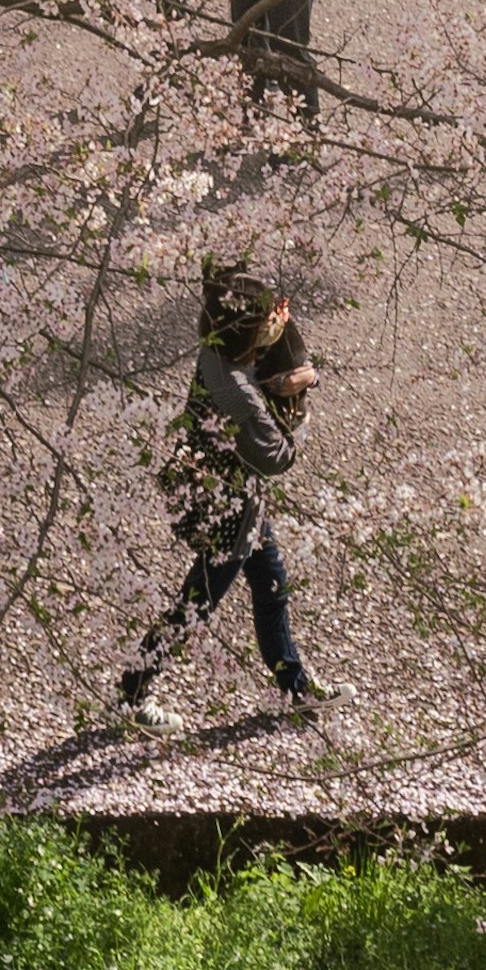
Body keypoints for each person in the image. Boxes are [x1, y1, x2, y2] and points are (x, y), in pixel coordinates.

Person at [119, 258, 331, 721]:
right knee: (196, 605)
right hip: (229, 514)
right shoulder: (240, 397)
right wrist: (301, 402)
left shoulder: (214, 351)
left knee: (272, 585)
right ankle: (135, 690)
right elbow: (278, 458)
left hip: (221, 494)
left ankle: (293, 687)